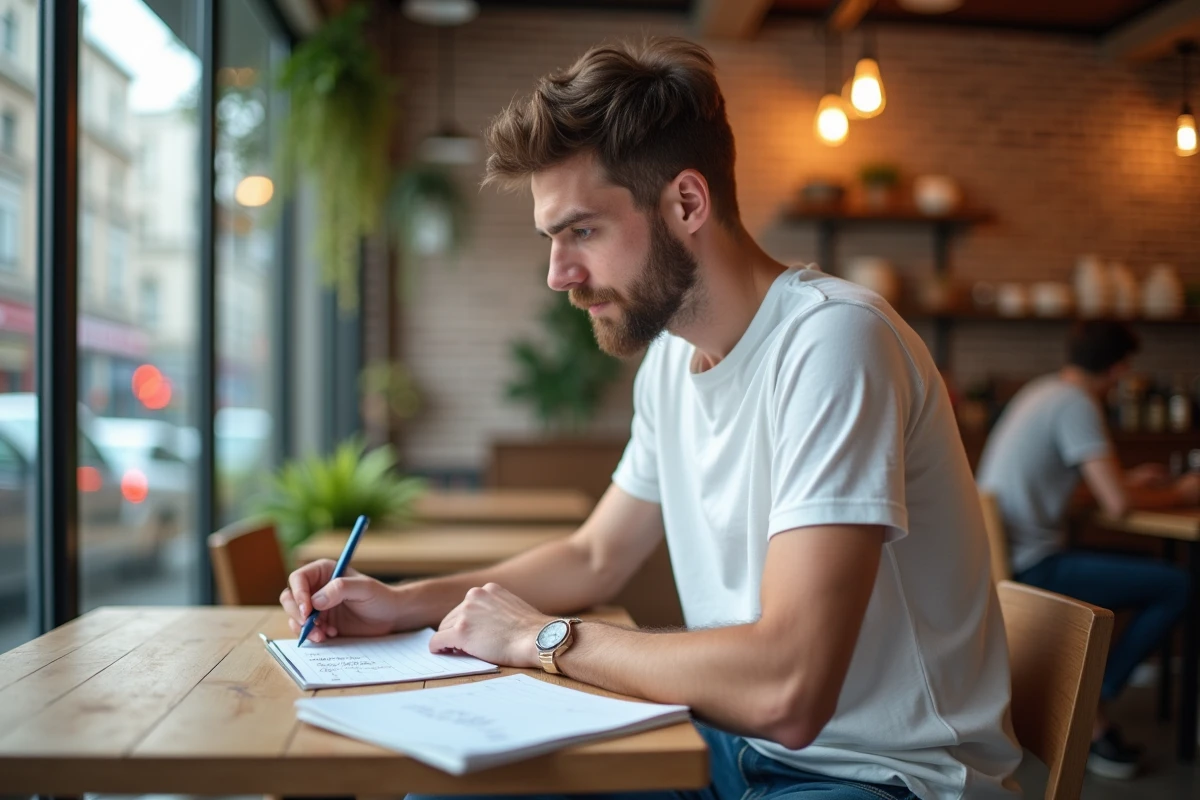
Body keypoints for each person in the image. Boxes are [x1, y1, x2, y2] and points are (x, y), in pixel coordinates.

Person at [281, 37, 1021, 800]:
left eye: (583, 231)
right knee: (448, 791)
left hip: (876, 777)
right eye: (552, 239)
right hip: (730, 749)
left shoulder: (834, 343)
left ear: (687, 203)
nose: (559, 275)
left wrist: (541, 639)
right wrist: (403, 603)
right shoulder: (672, 360)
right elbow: (596, 556)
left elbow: (790, 692)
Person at [976, 320, 1200, 780]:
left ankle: (1090, 709)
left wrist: (1124, 481)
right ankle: (1095, 703)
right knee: (1179, 583)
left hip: (1000, 562)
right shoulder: (1078, 403)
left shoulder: (1042, 391)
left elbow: (1086, 487)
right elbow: (1116, 503)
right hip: (1033, 567)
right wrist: (1184, 492)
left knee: (1163, 576)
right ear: (1119, 368)